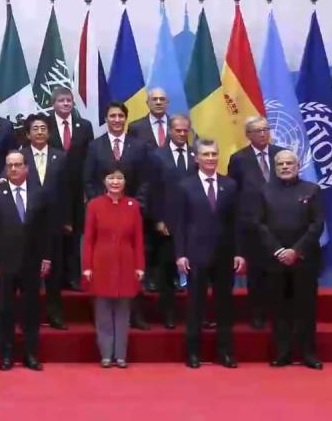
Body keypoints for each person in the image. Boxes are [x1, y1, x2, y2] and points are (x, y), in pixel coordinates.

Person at [173, 139, 245, 369]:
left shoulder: (230, 185)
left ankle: (225, 353)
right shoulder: (185, 186)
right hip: (195, 255)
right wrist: (180, 254)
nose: (211, 158)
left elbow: (236, 222)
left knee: (224, 306)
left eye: (214, 154)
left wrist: (239, 252)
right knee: (195, 306)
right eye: (206, 154)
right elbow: (180, 223)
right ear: (196, 158)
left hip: (224, 254)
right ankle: (193, 353)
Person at [83, 101, 152, 329]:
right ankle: (103, 316)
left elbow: (145, 180)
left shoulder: (139, 146)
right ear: (106, 119)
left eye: (120, 116)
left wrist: (137, 205)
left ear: (125, 119)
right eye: (112, 116)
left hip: (131, 215)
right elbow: (89, 179)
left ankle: (136, 315)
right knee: (105, 265)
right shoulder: (95, 146)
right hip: (102, 216)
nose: (116, 120)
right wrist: (99, 204)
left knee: (133, 263)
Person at [0, 151, 53, 371]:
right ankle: (6, 355)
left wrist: (46, 256)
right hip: (5, 262)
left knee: (31, 310)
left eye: (17, 165)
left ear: (26, 168)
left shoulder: (39, 193)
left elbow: (46, 230)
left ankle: (30, 354)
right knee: (5, 311)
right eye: (10, 165)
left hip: (32, 262)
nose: (13, 169)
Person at [256, 150, 324, 369]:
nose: (285, 167)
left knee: (306, 308)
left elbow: (317, 224)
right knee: (279, 309)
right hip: (275, 260)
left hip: (304, 259)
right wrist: (278, 251)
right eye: (280, 164)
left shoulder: (311, 189)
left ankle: (308, 354)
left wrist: (296, 251)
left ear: (298, 165)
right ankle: (282, 353)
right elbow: (259, 224)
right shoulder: (264, 191)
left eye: (289, 163)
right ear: (275, 168)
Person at [82, 165, 145, 368]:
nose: (115, 182)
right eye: (111, 178)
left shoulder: (133, 205)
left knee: (123, 313)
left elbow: (138, 240)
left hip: (127, 262)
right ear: (104, 181)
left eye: (119, 178)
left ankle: (121, 355)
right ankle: (106, 354)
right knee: (103, 312)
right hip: (101, 262)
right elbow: (88, 239)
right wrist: (87, 266)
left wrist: (140, 266)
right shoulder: (94, 205)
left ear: (125, 181)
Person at [228, 116, 285, 329]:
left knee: (279, 273)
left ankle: (279, 313)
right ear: (248, 135)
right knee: (257, 273)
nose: (263, 134)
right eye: (258, 130)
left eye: (265, 129)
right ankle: (258, 313)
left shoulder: (281, 154)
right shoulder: (239, 159)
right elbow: (234, 194)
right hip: (252, 226)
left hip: (280, 225)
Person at [20, 114, 69, 329]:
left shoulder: (61, 156)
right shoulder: (19, 157)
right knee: (27, 272)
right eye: (35, 129)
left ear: (49, 133)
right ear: (28, 134)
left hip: (54, 222)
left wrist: (68, 219)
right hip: (27, 222)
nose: (39, 132)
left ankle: (54, 313)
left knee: (54, 273)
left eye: (43, 128)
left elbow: (69, 189)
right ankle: (27, 315)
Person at [148, 115, 196, 329]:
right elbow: (152, 191)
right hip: (167, 224)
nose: (182, 134)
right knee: (167, 271)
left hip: (193, 223)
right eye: (178, 130)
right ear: (169, 131)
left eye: (185, 130)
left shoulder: (196, 155)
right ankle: (168, 314)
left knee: (196, 271)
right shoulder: (157, 156)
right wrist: (158, 220)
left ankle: (196, 314)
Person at [48, 86, 92, 291]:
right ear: (53, 104)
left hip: (77, 189)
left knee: (75, 235)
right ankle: (54, 277)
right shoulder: (45, 124)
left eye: (69, 100)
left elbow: (89, 159)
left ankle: (73, 277)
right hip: (52, 188)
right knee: (54, 234)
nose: (66, 104)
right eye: (61, 100)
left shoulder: (84, 126)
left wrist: (87, 189)